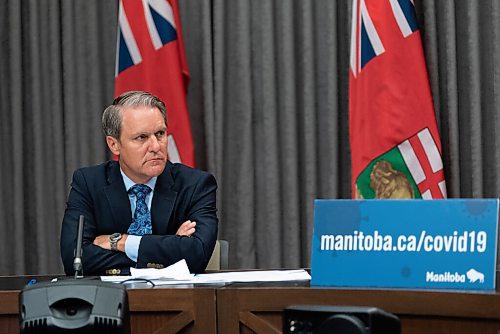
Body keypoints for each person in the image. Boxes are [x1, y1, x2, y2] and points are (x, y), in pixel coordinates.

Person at [60, 91, 218, 275]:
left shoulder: (196, 185)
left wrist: (120, 242)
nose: (156, 146)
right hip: (110, 301)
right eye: (141, 137)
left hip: (175, 301)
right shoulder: (88, 183)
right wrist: (168, 248)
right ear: (114, 145)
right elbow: (75, 259)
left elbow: (196, 254)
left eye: (160, 134)